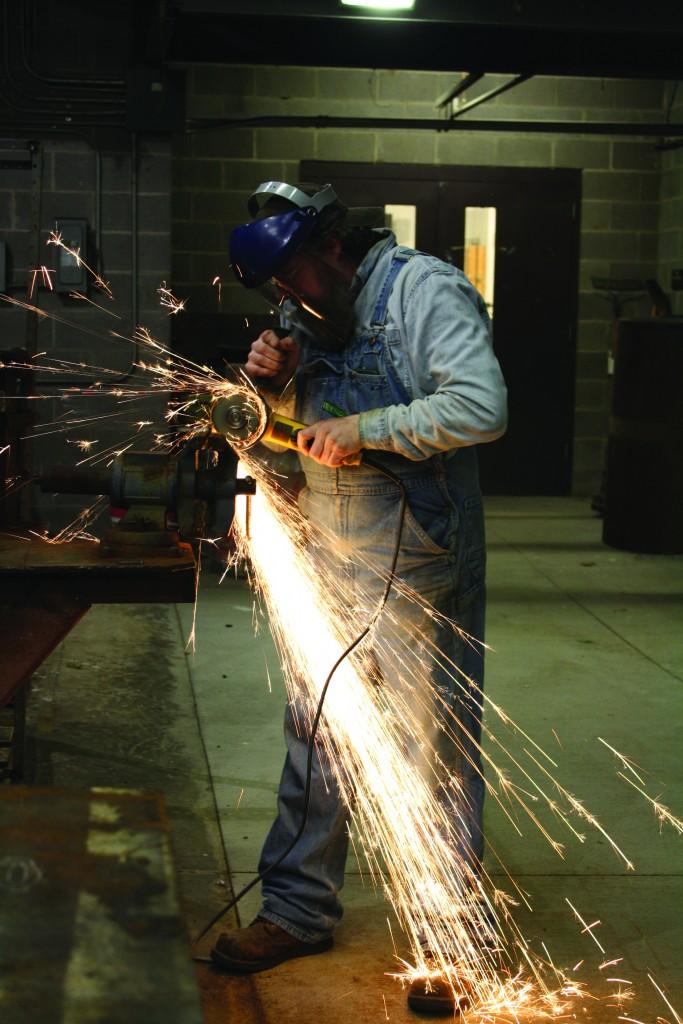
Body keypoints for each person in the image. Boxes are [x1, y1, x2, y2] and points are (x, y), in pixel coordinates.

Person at [212, 181, 507, 1015]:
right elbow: (281, 424)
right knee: (315, 733)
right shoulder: (311, 312)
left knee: (430, 747)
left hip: (418, 553)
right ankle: (298, 910)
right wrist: (264, 385)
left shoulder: (424, 290)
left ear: (331, 248)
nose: (286, 299)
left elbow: (482, 406)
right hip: (332, 550)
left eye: (292, 276)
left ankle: (451, 939)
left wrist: (367, 428)